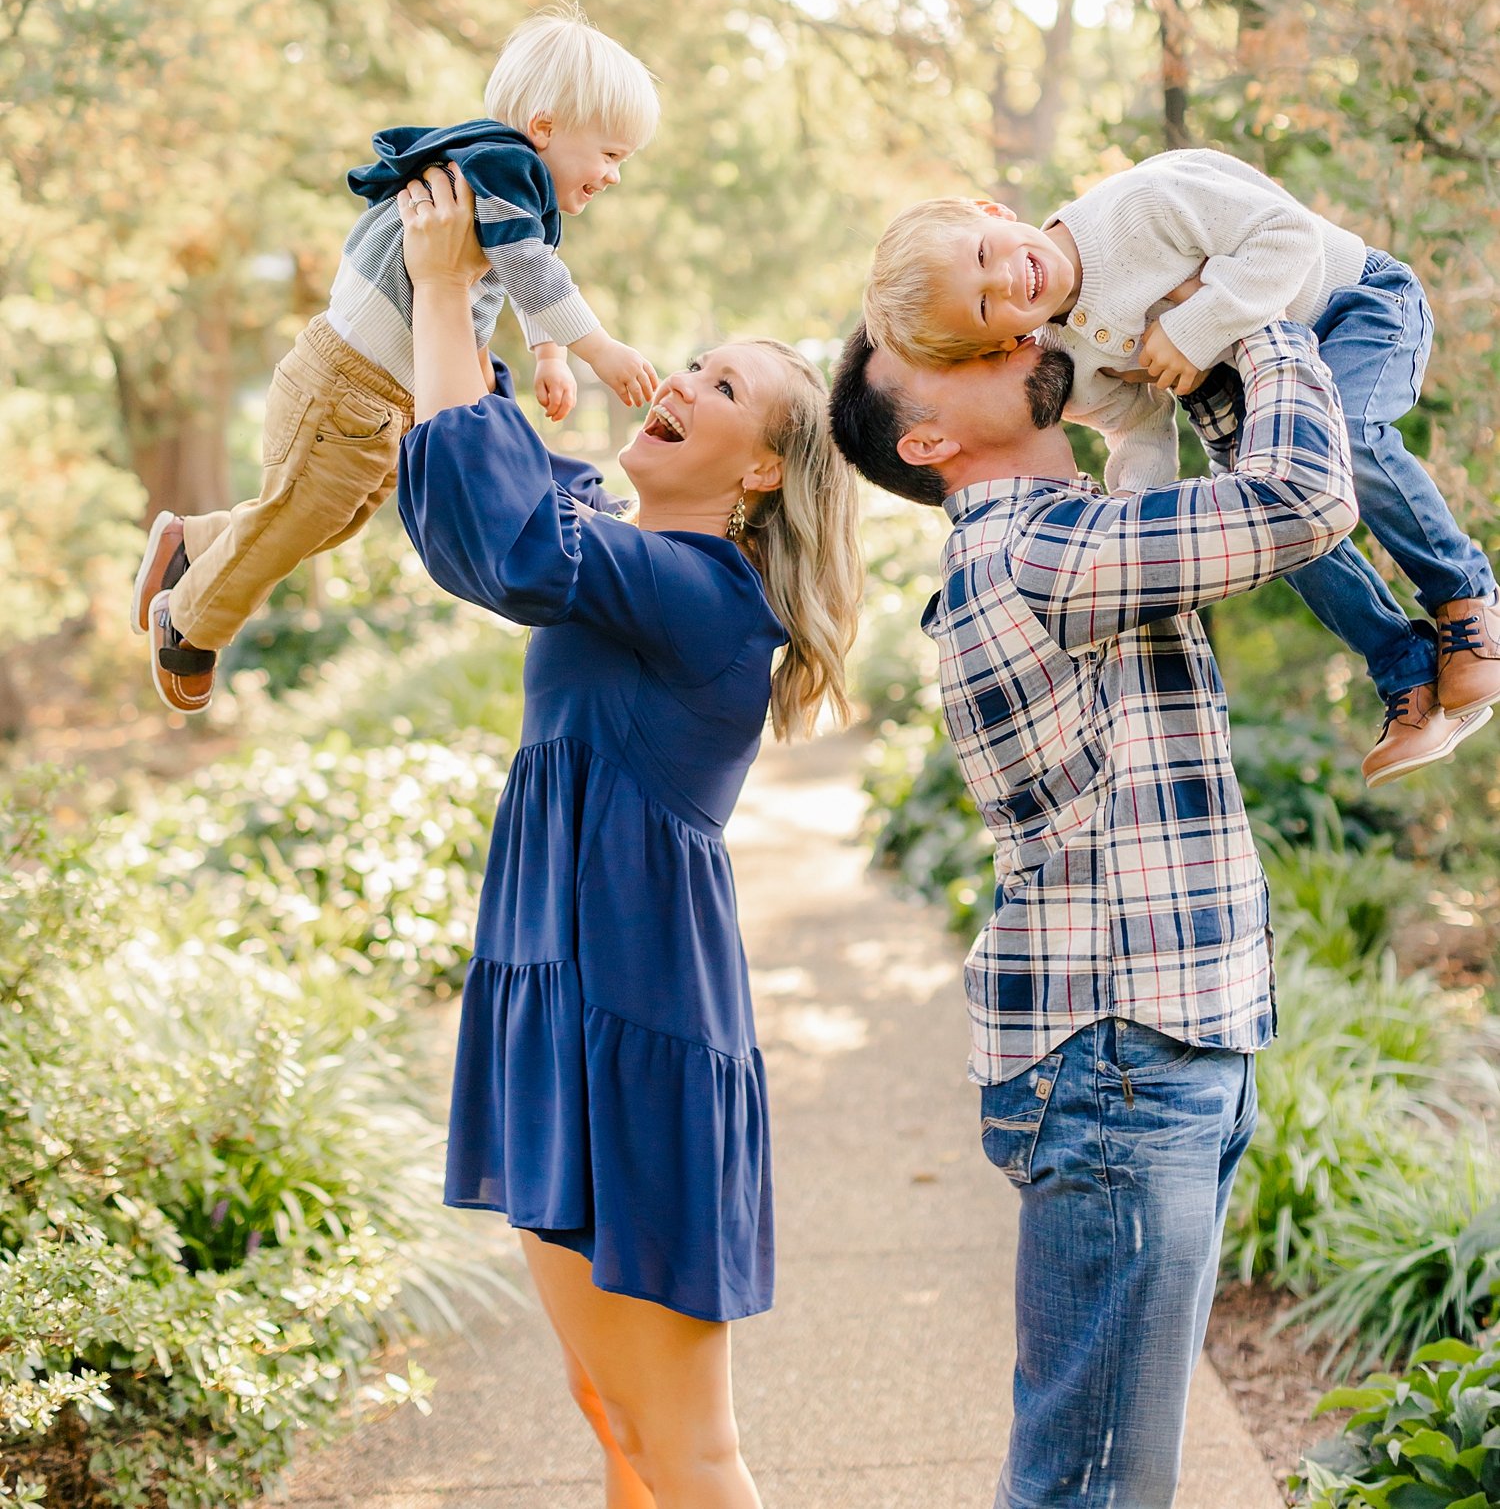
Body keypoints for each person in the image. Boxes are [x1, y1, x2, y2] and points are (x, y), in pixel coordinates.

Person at [828, 313, 1359, 1509]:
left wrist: (1147, 392)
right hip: (1127, 1062)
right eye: (955, 357)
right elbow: (1302, 502)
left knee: (1099, 1475)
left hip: (1158, 1046)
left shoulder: (1073, 539)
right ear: (925, 444)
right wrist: (1260, 319)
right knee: (1095, 1488)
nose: (1000, 339)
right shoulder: (1040, 551)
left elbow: (1199, 490)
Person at [396, 162, 863, 1509]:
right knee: (608, 1411)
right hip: (560, 994)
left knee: (688, 1446)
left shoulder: (712, 597)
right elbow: (464, 498)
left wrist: (444, 288)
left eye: (721, 390)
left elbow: (511, 536)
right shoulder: (619, 537)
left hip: (638, 1015)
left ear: (765, 469)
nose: (678, 384)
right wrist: (468, 305)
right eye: (694, 363)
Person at [860, 149, 1500, 784]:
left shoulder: (1138, 208)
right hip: (1261, 392)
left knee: (1351, 439)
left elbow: (1288, 234)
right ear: (1001, 343)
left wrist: (1196, 327)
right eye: (982, 305)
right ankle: (1404, 667)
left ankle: (1466, 602)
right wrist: (1136, 514)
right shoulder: (1069, 363)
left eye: (980, 254)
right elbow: (1135, 427)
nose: (1002, 280)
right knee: (1285, 539)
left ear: (991, 211)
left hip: (1353, 305)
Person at [132, 9, 660, 714]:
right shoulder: (500, 166)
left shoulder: (511, 194)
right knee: (297, 516)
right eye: (612, 155)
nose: (614, 176)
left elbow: (525, 276)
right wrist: (600, 350)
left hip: (378, 399)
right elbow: (536, 272)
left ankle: (191, 543)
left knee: (328, 521)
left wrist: (549, 356)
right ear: (544, 129)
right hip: (344, 385)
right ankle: (189, 623)